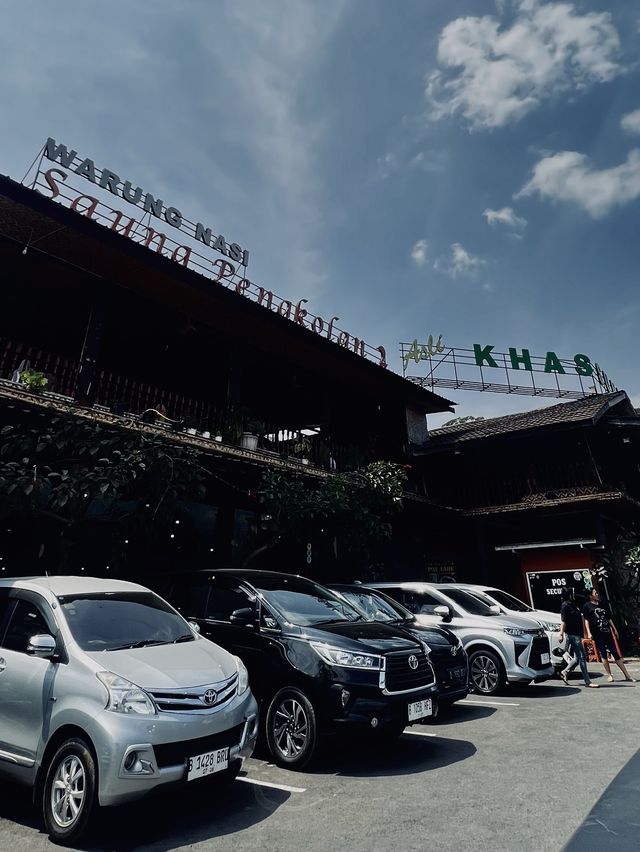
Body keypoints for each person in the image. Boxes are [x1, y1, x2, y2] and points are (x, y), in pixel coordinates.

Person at [582, 589, 636, 684]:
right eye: (595, 593)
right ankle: (609, 675)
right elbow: (586, 620)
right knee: (603, 654)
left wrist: (614, 629)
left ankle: (627, 675)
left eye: (597, 593)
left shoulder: (603, 604)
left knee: (615, 653)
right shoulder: (587, 606)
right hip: (598, 634)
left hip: (608, 632)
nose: (597, 594)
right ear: (591, 596)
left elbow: (609, 618)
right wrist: (589, 633)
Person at [558, 588, 598, 688]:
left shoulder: (573, 604)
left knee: (577, 658)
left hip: (577, 634)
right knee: (582, 657)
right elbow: (563, 621)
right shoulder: (565, 605)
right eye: (571, 593)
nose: (574, 594)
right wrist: (561, 634)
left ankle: (565, 672)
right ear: (568, 594)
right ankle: (587, 681)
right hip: (572, 634)